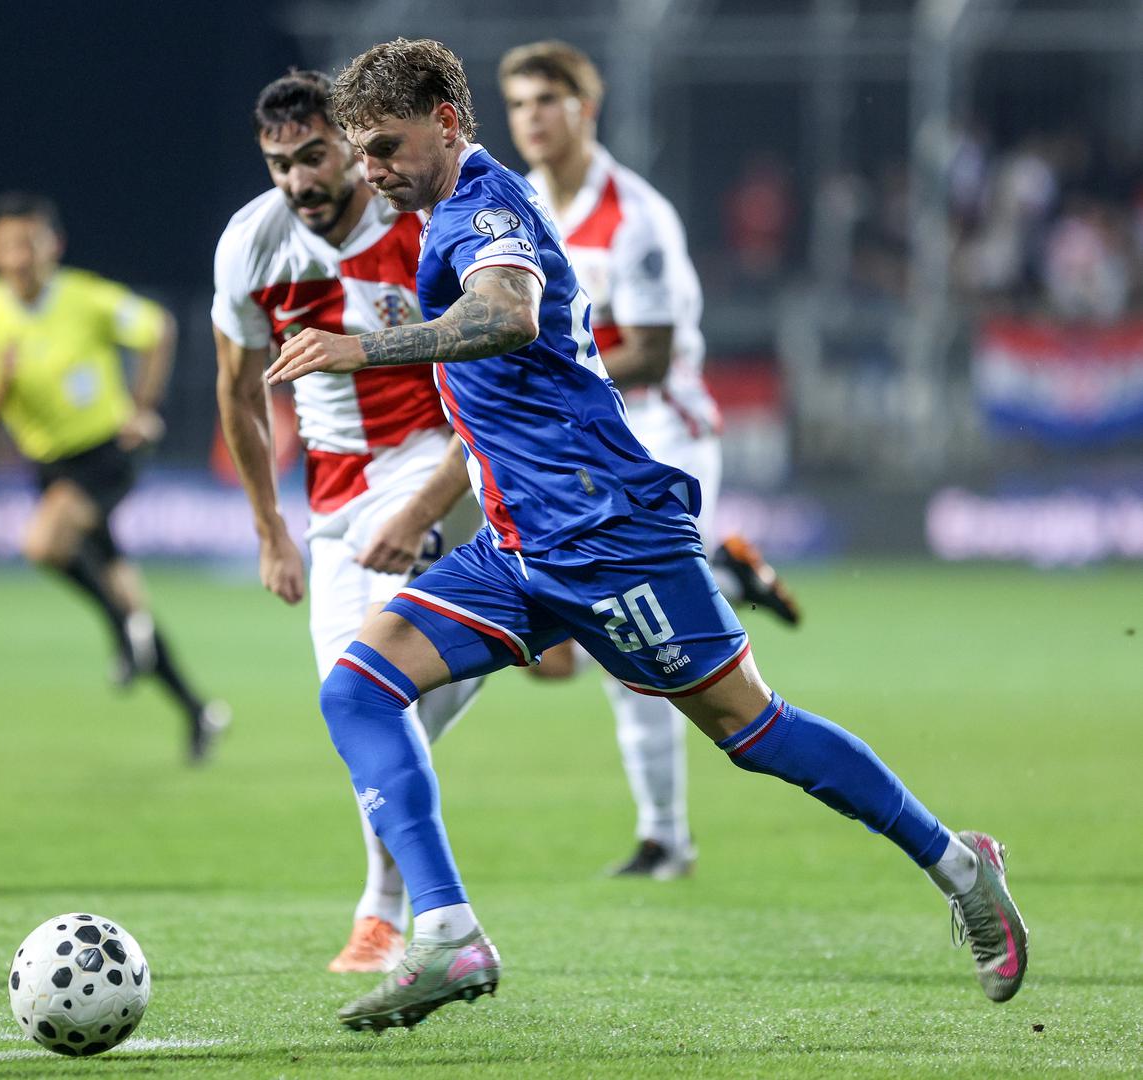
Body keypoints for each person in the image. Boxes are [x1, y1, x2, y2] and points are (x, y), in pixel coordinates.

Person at [266, 38, 1027, 1030]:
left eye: (384, 145)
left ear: (446, 123)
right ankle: (446, 934)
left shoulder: (483, 207)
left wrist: (366, 347)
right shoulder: (441, 216)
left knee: (753, 733)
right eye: (359, 150)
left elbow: (509, 313)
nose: (369, 168)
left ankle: (959, 866)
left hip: (608, 536)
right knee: (357, 689)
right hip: (516, 549)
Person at [499, 40, 800, 880]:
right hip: (577, 442)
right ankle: (722, 572)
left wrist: (547, 377)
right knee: (605, 635)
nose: (531, 118)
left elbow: (656, 353)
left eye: (547, 100)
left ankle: (664, 838)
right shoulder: (512, 207)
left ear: (584, 109)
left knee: (634, 632)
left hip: (662, 433)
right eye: (518, 104)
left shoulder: (635, 215)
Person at [213, 71, 483, 972]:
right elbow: (237, 393)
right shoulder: (252, 244)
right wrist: (269, 532)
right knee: (356, 706)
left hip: (438, 469)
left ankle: (390, 913)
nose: (298, 180)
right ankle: (537, 626)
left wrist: (421, 509)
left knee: (379, 696)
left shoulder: (423, 227)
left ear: (352, 147)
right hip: (334, 505)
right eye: (279, 164)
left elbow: (487, 393)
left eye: (313, 156)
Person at [0, 193, 227, 763]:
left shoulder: (83, 297)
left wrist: (143, 407)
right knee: (126, 597)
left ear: (54, 245)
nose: (21, 256)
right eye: (8, 245)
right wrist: (1, 387)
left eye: (31, 242)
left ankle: (123, 633)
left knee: (43, 543)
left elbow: (158, 328)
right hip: (48, 465)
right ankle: (197, 709)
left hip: (107, 452)